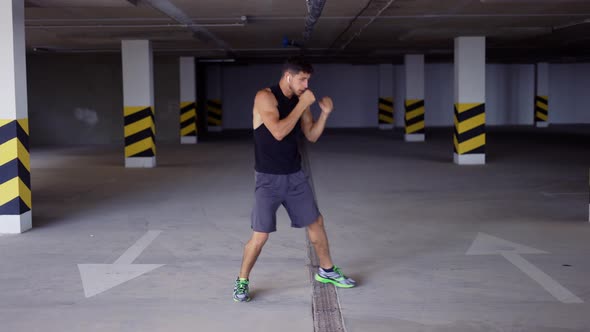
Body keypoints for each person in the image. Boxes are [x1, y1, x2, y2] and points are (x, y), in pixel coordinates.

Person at [233, 57, 356, 303]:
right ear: (288, 76)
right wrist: (302, 104)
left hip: (295, 176)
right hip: (268, 179)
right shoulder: (265, 97)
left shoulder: (302, 100)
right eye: (303, 79)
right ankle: (242, 281)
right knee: (260, 235)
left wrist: (325, 114)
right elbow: (277, 132)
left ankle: (327, 271)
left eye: (308, 79)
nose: (306, 84)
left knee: (316, 223)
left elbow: (310, 135)